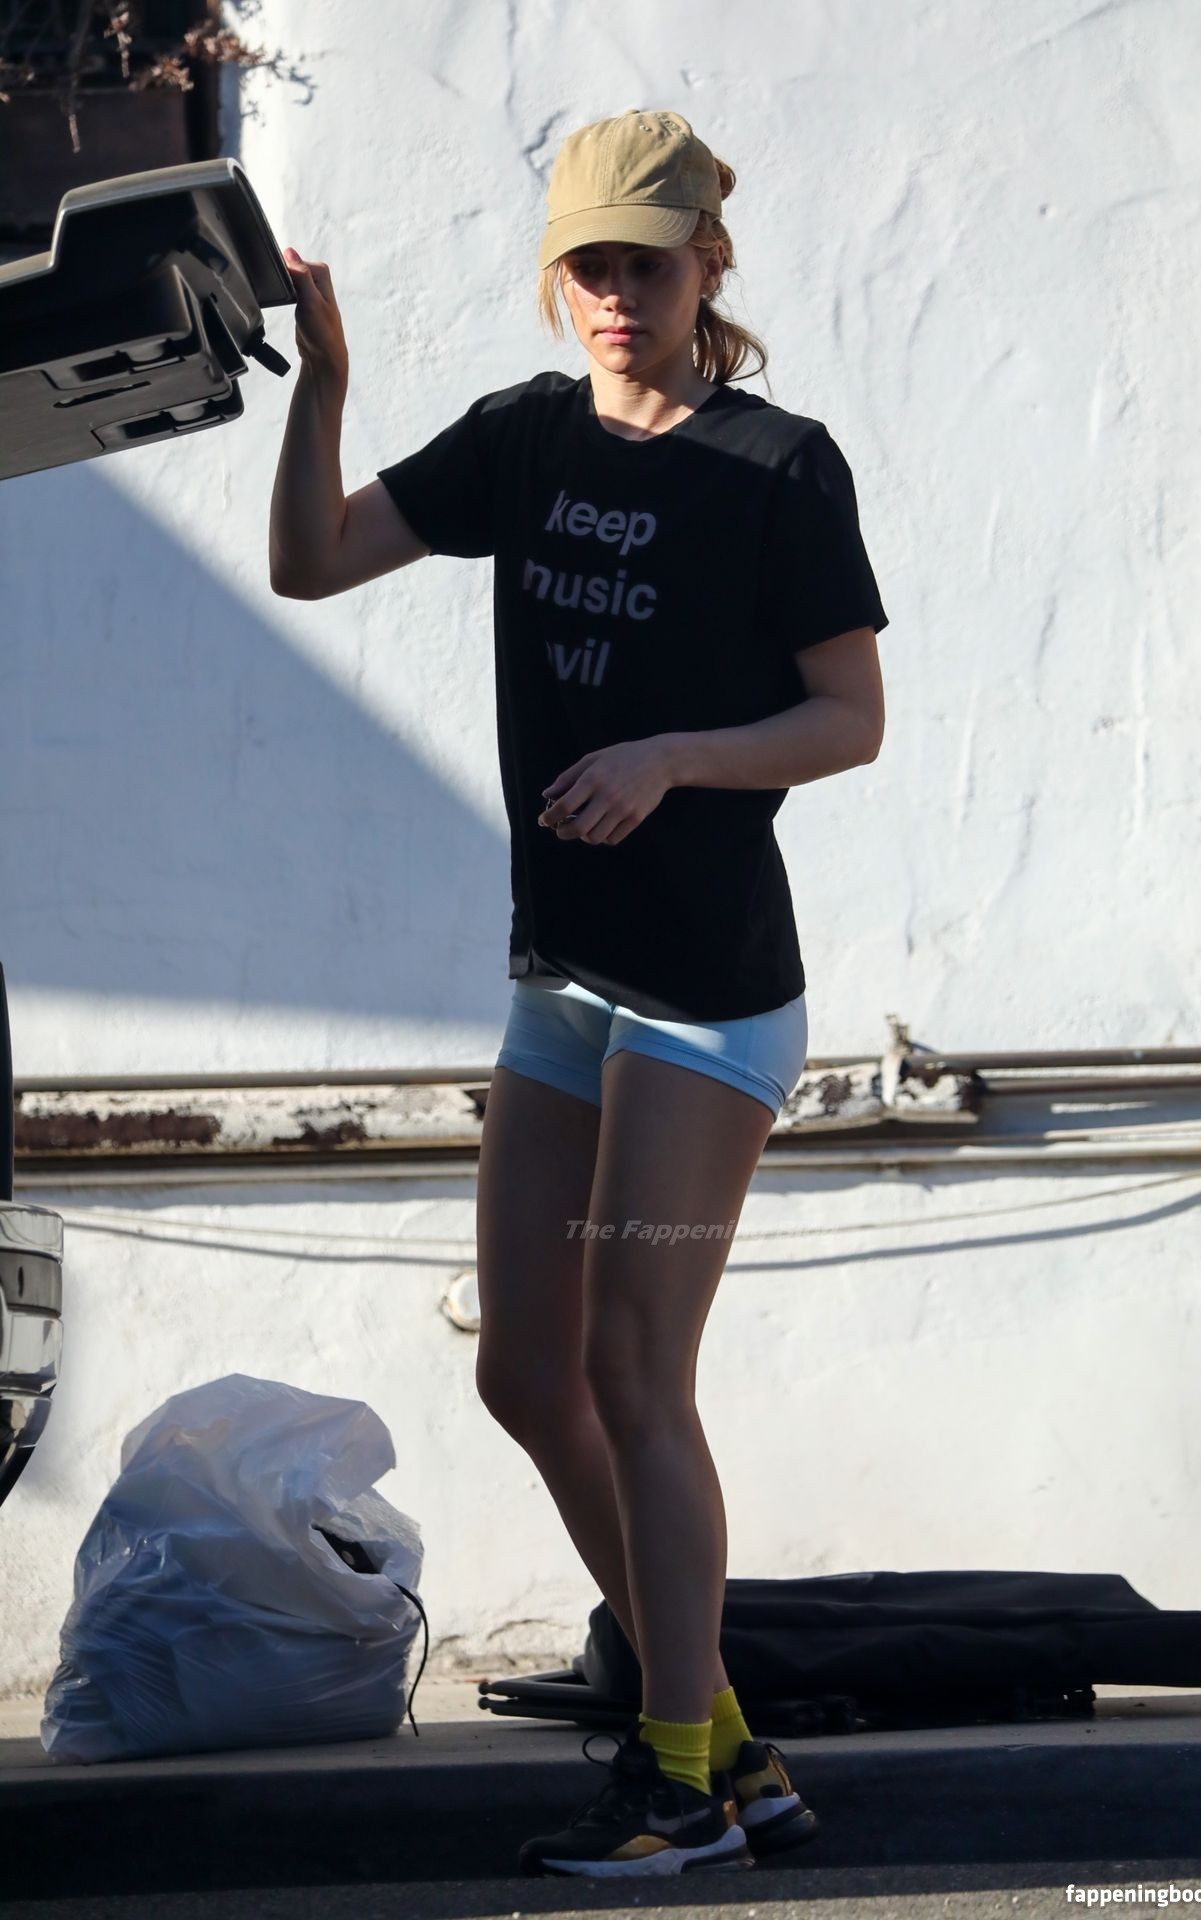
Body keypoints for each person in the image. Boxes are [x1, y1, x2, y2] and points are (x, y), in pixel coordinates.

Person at [270, 106, 888, 1880]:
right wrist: (327, 384)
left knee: (631, 1368)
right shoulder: (525, 441)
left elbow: (849, 719)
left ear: (709, 267)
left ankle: (677, 1776)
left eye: (649, 263)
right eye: (589, 265)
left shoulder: (778, 466)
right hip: (563, 985)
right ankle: (726, 1737)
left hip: (705, 997)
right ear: (561, 280)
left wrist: (675, 755)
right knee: (529, 1374)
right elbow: (311, 561)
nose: (619, 293)